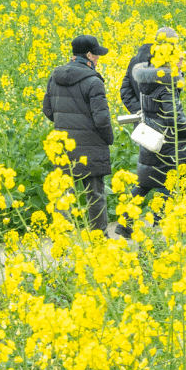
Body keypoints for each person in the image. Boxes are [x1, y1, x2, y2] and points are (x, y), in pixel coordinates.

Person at [116, 47, 186, 237]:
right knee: (168, 180)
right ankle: (162, 221)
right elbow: (174, 115)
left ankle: (124, 223)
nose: (182, 61)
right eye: (179, 58)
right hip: (168, 139)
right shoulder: (166, 84)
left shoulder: (149, 80)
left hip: (152, 135)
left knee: (145, 181)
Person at [42, 34, 114, 233]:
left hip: (62, 144)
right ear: (89, 55)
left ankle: (63, 237)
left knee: (64, 191)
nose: (98, 58)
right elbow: (102, 119)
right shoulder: (93, 82)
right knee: (95, 193)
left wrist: (64, 126)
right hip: (91, 144)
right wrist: (109, 139)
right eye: (97, 55)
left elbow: (48, 110)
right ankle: (99, 236)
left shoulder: (55, 76)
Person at [120, 27, 178, 114]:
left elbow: (125, 91)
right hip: (162, 121)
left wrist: (138, 110)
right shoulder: (162, 63)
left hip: (141, 122)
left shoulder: (134, 61)